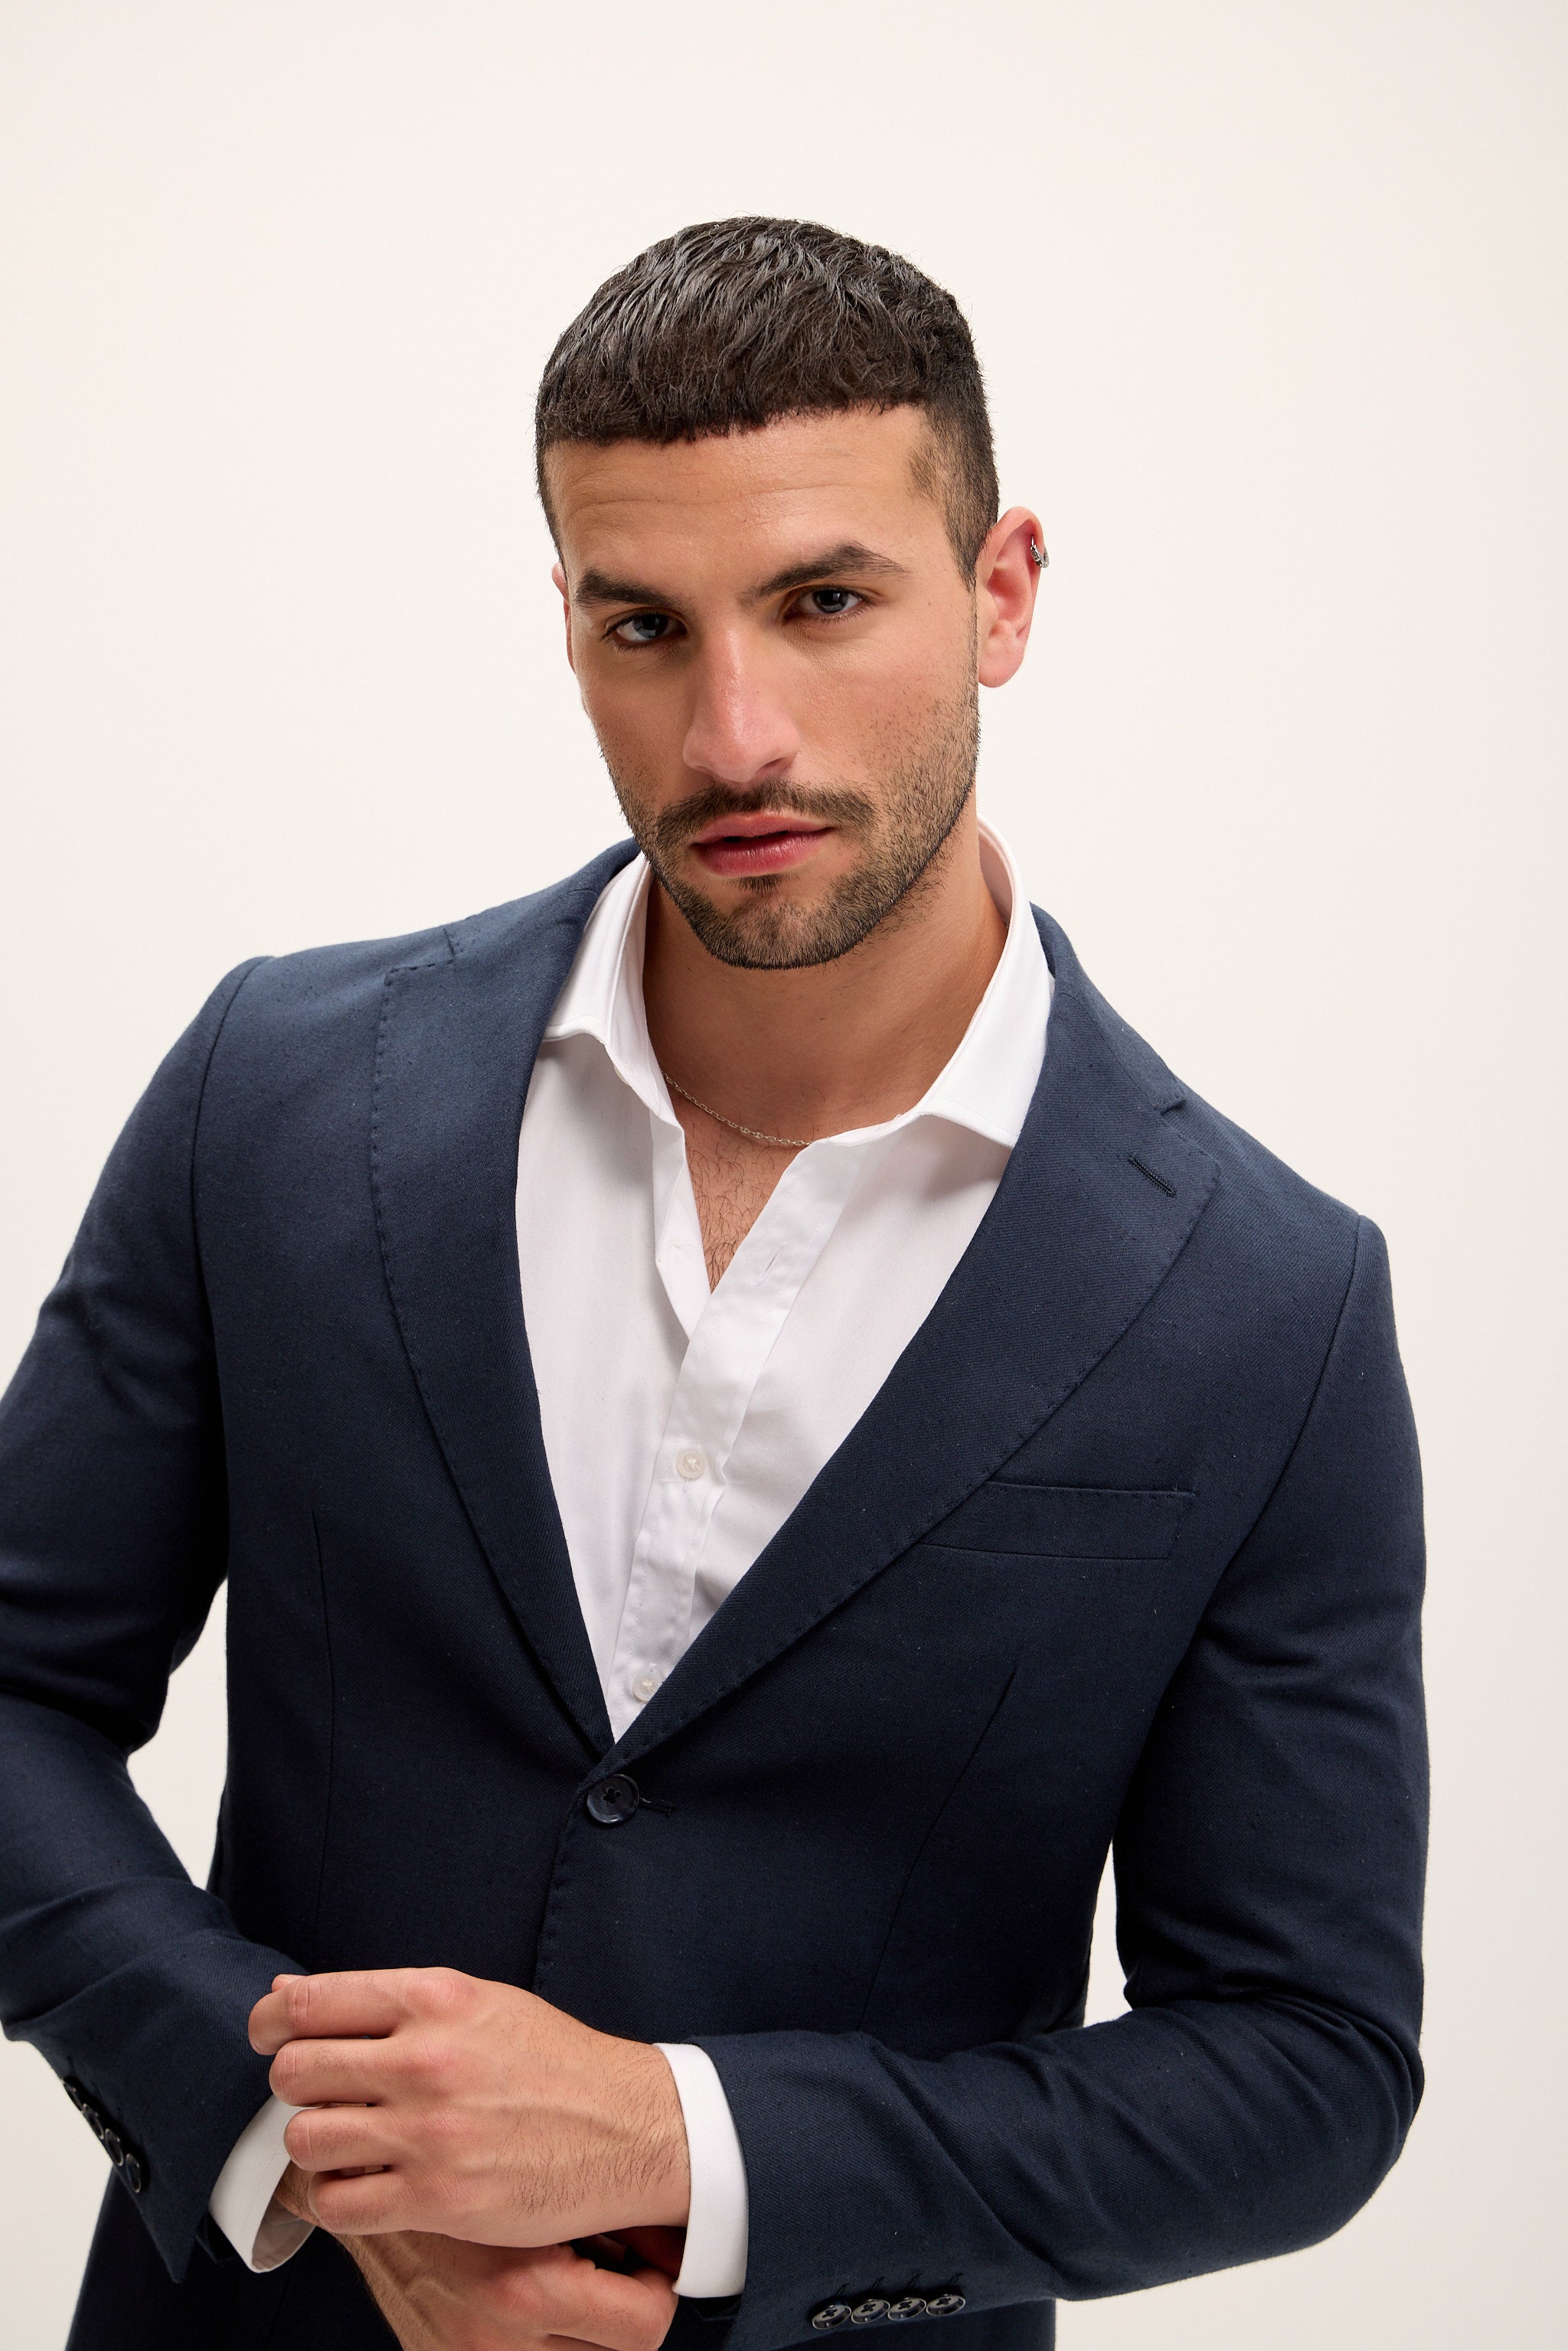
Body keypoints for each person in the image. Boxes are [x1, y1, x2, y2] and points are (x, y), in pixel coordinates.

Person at [0, 218, 1426, 2351]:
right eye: (644, 626)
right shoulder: (281, 1097)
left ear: (1003, 593)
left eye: (825, 602)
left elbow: (1305, 2067)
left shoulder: (1263, 1304)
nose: (735, 733)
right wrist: (297, 2140)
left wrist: (687, 2147)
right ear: (567, 623)